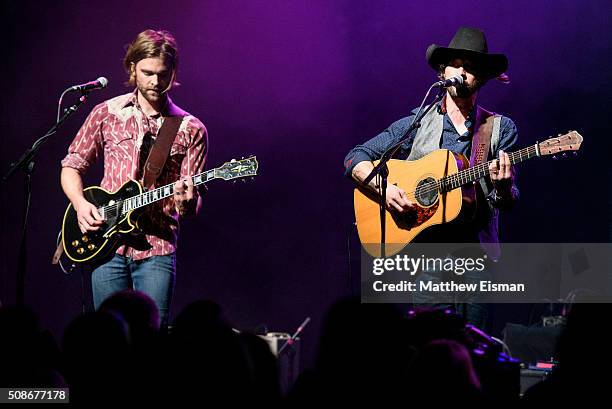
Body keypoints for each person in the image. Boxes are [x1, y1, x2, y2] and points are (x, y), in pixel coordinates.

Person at [344, 27, 519, 328]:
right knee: (430, 341)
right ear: (443, 70)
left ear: (483, 77)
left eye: (471, 66)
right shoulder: (418, 121)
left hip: (475, 257)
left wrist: (502, 189)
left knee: (474, 343)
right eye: (456, 64)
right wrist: (384, 191)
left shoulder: (499, 128)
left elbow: (507, 201)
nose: (462, 71)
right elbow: (354, 158)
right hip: (426, 256)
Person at [61, 29, 208, 327]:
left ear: (174, 72)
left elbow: (192, 202)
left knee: (149, 343)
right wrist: (79, 203)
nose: (156, 82)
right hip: (105, 242)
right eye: (148, 73)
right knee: (105, 338)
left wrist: (187, 203)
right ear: (132, 68)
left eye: (163, 74)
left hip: (157, 246)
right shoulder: (106, 113)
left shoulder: (191, 129)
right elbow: (72, 166)